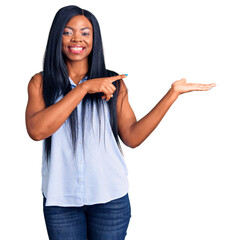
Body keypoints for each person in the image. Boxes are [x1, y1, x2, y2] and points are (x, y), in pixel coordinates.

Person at [25, 5, 216, 240]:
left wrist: (172, 94)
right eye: (68, 32)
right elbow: (36, 131)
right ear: (57, 36)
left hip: (110, 201)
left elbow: (132, 138)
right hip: (61, 201)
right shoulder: (41, 83)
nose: (77, 39)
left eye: (85, 33)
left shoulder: (114, 84)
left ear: (95, 39)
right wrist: (84, 88)